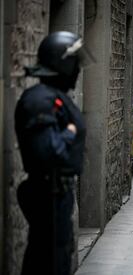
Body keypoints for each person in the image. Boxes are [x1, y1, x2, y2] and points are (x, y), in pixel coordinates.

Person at [15, 31, 91, 275]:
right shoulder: (40, 100)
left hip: (58, 193)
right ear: (62, 63)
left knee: (57, 256)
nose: (78, 70)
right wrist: (68, 133)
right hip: (47, 192)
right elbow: (49, 151)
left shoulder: (54, 97)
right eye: (74, 64)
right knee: (47, 259)